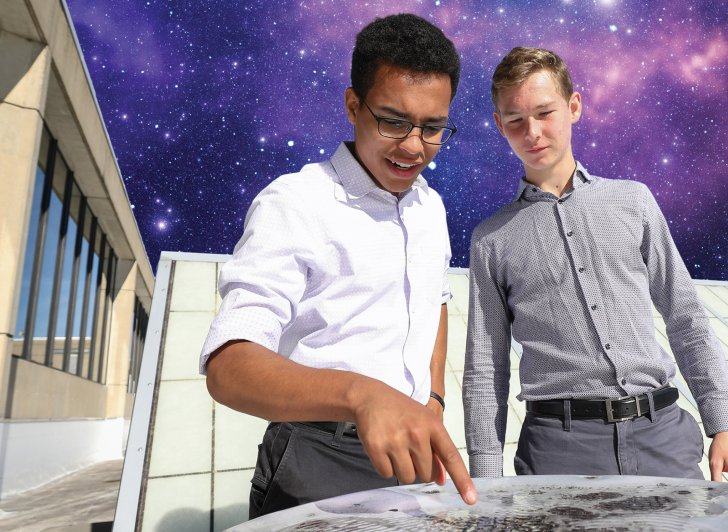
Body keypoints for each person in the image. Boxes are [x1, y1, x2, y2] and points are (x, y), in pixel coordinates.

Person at [200, 13, 477, 518]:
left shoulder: (430, 208)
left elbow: (436, 301)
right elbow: (228, 365)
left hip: (413, 455)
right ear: (353, 105)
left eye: (433, 127)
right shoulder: (294, 203)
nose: (415, 146)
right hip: (315, 460)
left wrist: (432, 400)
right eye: (393, 120)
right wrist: (361, 395)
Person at [463, 46, 728, 481]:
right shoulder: (491, 240)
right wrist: (486, 482)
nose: (532, 131)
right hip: (557, 450)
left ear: (574, 106)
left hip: (663, 436)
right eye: (515, 120)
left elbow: (686, 317)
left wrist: (722, 422)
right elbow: (484, 370)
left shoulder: (633, 201)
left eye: (545, 112)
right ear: (499, 125)